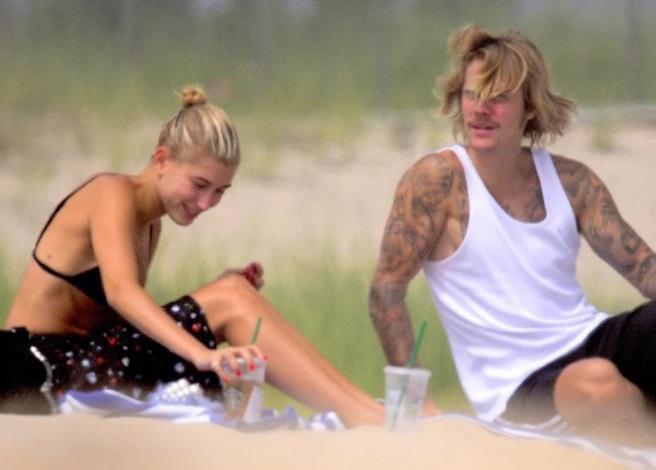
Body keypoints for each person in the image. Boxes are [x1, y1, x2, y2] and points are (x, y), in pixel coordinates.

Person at [368, 25, 656, 447]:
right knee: (597, 383)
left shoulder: (572, 181)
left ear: (529, 106)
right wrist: (416, 402)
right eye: (471, 95)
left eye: (498, 97)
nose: (480, 109)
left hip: (589, 340)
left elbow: (645, 271)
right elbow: (386, 290)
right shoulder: (437, 180)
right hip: (517, 391)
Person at [2, 86, 382, 427]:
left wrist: (219, 294)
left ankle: (366, 409)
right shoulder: (110, 193)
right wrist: (202, 353)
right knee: (229, 299)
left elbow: (117, 323)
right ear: (162, 159)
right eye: (199, 184)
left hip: (83, 359)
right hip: (33, 367)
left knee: (232, 293)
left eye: (220, 191)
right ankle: (366, 416)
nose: (206, 203)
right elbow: (121, 292)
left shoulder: (151, 225)